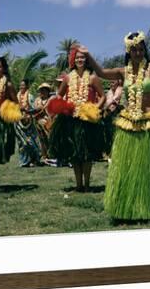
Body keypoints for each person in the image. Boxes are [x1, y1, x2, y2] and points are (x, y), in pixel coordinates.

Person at [80, 31, 150, 221]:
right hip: (129, 122)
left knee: (149, 166)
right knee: (130, 167)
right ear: (128, 52)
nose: (138, 53)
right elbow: (101, 73)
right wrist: (88, 55)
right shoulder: (122, 72)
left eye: (141, 50)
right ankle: (131, 205)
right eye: (134, 50)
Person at [48, 47, 106, 191]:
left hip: (88, 121)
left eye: (82, 57)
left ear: (87, 60)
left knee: (86, 154)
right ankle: (78, 184)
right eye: (77, 58)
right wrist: (62, 105)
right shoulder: (68, 77)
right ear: (73, 60)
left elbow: (103, 97)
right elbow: (59, 95)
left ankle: (87, 185)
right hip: (71, 120)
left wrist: (94, 109)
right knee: (75, 154)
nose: (80, 60)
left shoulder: (92, 77)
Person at [0, 57, 18, 165]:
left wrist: (6, 109)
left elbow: (16, 102)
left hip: (0, 121)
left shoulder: (7, 85)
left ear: (4, 69)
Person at [15, 79, 41, 167]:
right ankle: (24, 162)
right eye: (20, 85)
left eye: (23, 85)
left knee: (30, 142)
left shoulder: (30, 97)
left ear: (27, 86)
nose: (21, 87)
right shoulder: (16, 96)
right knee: (21, 143)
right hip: (19, 122)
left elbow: (35, 109)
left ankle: (33, 160)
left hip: (28, 122)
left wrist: (26, 111)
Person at [33, 83, 56, 166]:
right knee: (41, 140)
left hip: (50, 122)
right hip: (39, 122)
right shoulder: (37, 100)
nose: (42, 92)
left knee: (51, 138)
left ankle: (52, 155)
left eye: (44, 90)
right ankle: (44, 156)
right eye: (41, 90)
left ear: (48, 91)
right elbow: (36, 110)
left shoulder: (52, 99)